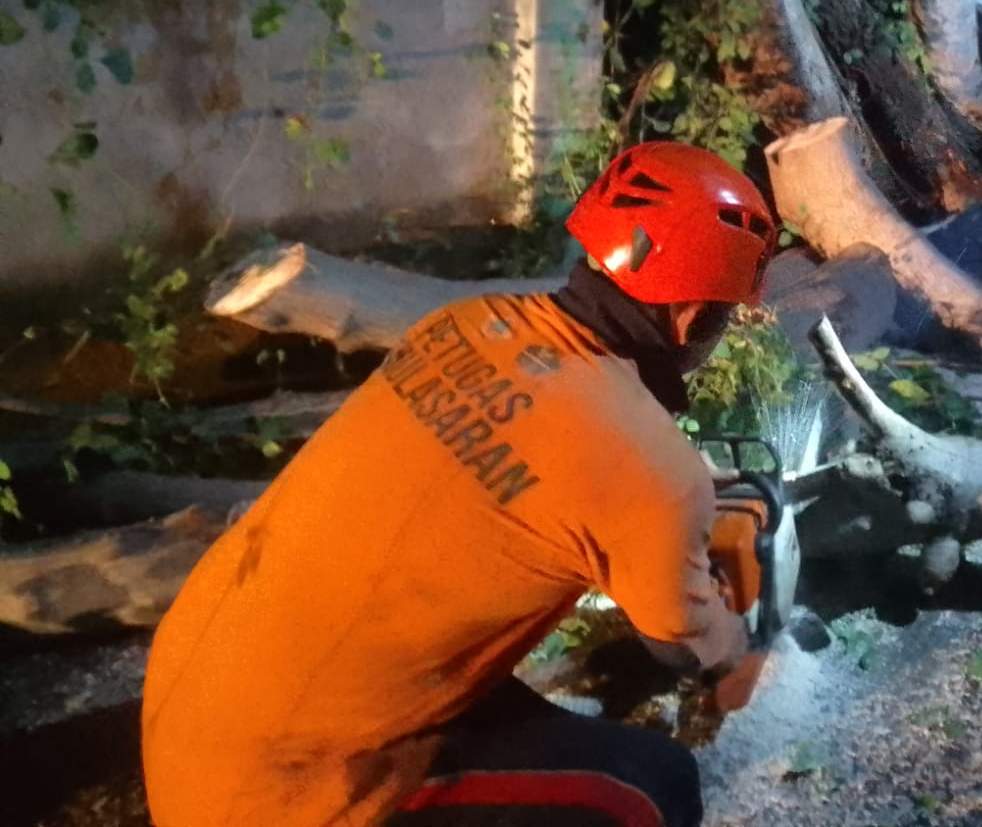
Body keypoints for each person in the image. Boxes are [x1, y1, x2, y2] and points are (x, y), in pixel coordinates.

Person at [142, 142, 778, 827]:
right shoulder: (650, 474)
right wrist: (742, 646)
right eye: (724, 316)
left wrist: (684, 487)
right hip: (284, 793)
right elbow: (682, 644)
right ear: (692, 316)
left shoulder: (467, 324)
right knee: (653, 787)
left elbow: (552, 442)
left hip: (193, 702)